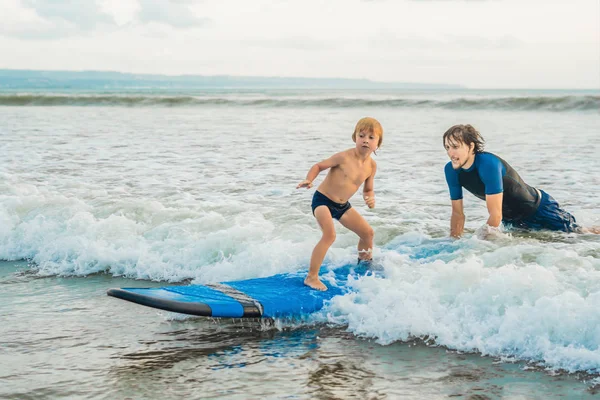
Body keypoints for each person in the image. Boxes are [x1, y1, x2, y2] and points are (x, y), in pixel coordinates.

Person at [443, 124, 599, 237]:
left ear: (470, 147)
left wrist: (476, 243)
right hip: (513, 220)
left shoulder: (487, 164)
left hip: (540, 210)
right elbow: (457, 214)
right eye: (447, 148)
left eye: (455, 147)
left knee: (581, 235)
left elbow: (495, 215)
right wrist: (455, 245)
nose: (450, 153)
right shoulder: (451, 171)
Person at [297, 117, 383, 291]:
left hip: (343, 206)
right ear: (355, 138)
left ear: (378, 144)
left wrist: (369, 198)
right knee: (329, 235)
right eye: (362, 135)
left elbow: (368, 189)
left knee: (367, 233)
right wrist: (309, 179)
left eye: (371, 137)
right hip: (322, 200)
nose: (366, 140)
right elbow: (319, 166)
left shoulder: (372, 166)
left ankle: (364, 266)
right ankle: (311, 277)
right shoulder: (343, 157)